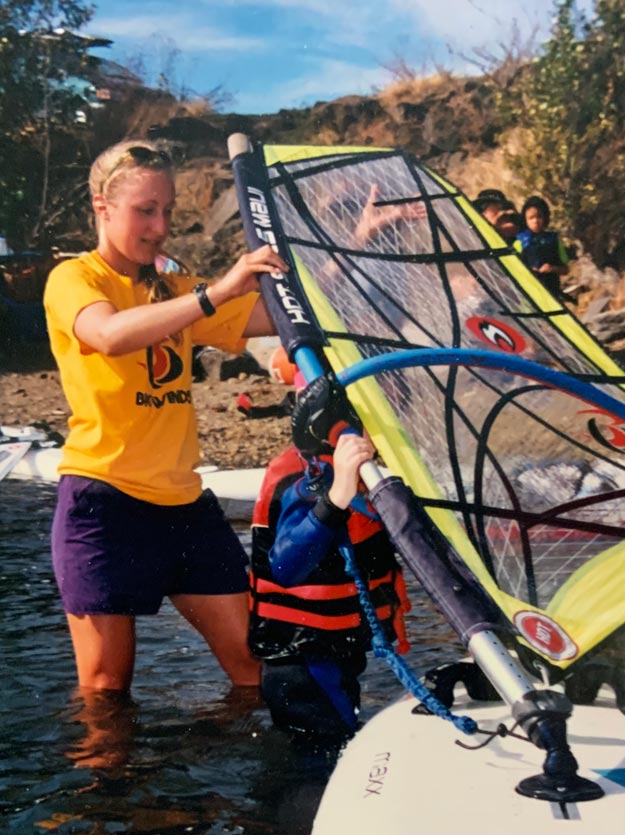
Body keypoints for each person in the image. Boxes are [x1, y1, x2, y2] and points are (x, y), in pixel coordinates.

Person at [43, 139, 289, 693]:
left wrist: (338, 254)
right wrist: (215, 292)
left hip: (183, 508)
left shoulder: (173, 289)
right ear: (102, 208)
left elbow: (273, 314)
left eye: (168, 210)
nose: (160, 226)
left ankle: (225, 770)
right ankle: (116, 784)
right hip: (103, 505)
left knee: (255, 673)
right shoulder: (74, 280)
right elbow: (107, 334)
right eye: (145, 210)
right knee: (106, 692)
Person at [249, 378, 410, 742]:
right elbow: (285, 567)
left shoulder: (366, 476)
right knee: (320, 746)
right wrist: (336, 497)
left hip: (336, 648)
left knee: (338, 729)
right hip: (301, 656)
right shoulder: (304, 477)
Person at [514, 195, 570, 299]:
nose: (535, 221)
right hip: (529, 293)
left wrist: (552, 268)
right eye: (531, 218)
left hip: (551, 291)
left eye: (539, 216)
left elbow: (566, 270)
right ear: (525, 220)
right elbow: (513, 270)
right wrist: (529, 270)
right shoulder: (519, 241)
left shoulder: (554, 239)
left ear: (545, 218)